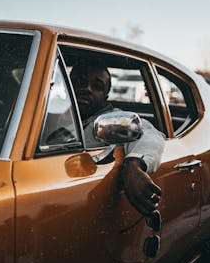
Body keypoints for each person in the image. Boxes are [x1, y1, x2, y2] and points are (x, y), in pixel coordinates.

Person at [70, 59, 165, 216]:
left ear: (106, 95)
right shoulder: (50, 114)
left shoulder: (115, 119)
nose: (87, 89)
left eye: (97, 86)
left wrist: (134, 165)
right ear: (68, 85)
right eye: (80, 81)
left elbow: (148, 134)